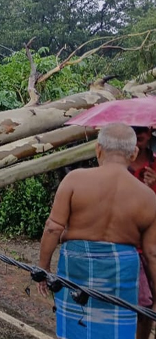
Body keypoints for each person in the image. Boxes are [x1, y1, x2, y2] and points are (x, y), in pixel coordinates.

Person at [37, 123, 156, 339]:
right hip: (121, 274)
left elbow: (53, 228)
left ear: (98, 149)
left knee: (76, 330)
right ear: (134, 153)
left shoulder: (74, 180)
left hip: (76, 268)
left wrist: (42, 269)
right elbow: (152, 254)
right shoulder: (148, 197)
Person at [129, 126, 156, 339]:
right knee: (141, 305)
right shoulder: (119, 164)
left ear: (150, 131)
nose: (139, 134)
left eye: (142, 130)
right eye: (133, 129)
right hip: (131, 246)